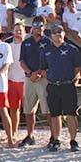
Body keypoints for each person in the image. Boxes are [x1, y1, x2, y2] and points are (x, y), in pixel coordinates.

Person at [40, 24, 81, 152]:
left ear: (63, 34)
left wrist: (68, 77)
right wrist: (53, 78)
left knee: (71, 114)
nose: (57, 34)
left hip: (67, 85)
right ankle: (56, 140)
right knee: (55, 115)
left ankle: (73, 140)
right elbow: (43, 69)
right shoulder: (46, 51)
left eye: (59, 32)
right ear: (50, 35)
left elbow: (77, 67)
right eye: (54, 32)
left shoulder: (72, 49)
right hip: (53, 86)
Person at [18, 16, 53, 147]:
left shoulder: (49, 42)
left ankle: (53, 136)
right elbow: (22, 61)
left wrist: (39, 73)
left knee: (47, 109)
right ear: (32, 26)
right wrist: (29, 73)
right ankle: (30, 135)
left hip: (44, 79)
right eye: (35, 24)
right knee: (28, 109)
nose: (37, 27)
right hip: (29, 78)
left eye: (40, 24)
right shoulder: (26, 43)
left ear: (44, 27)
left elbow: (51, 62)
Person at [8, 23, 26, 140]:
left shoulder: (28, 45)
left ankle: (30, 134)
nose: (18, 32)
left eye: (20, 30)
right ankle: (14, 132)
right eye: (16, 30)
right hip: (12, 80)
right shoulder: (8, 46)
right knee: (14, 109)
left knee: (29, 110)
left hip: (25, 80)